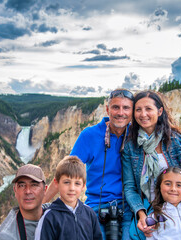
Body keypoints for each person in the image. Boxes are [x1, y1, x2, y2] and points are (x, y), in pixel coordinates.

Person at [43, 89, 134, 240]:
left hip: (128, 206)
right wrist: (42, 203)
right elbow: (67, 170)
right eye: (115, 107)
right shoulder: (90, 135)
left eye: (126, 108)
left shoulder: (137, 135)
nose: (120, 112)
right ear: (107, 109)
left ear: (132, 111)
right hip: (96, 207)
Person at [122, 90, 181, 239]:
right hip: (152, 209)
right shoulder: (130, 146)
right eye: (138, 109)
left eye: (148, 109)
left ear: (159, 111)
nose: (143, 114)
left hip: (180, 205)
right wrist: (141, 214)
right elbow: (130, 187)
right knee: (134, 234)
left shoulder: (177, 141)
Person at [34, 156, 102, 240]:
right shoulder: (49, 217)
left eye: (77, 183)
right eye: (66, 182)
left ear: (83, 186)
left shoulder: (90, 214)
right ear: (56, 183)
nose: (72, 188)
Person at [0, 164, 48, 240]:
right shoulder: (7, 236)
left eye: (34, 185)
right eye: (22, 185)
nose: (27, 191)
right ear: (15, 191)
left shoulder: (55, 213)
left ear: (45, 190)